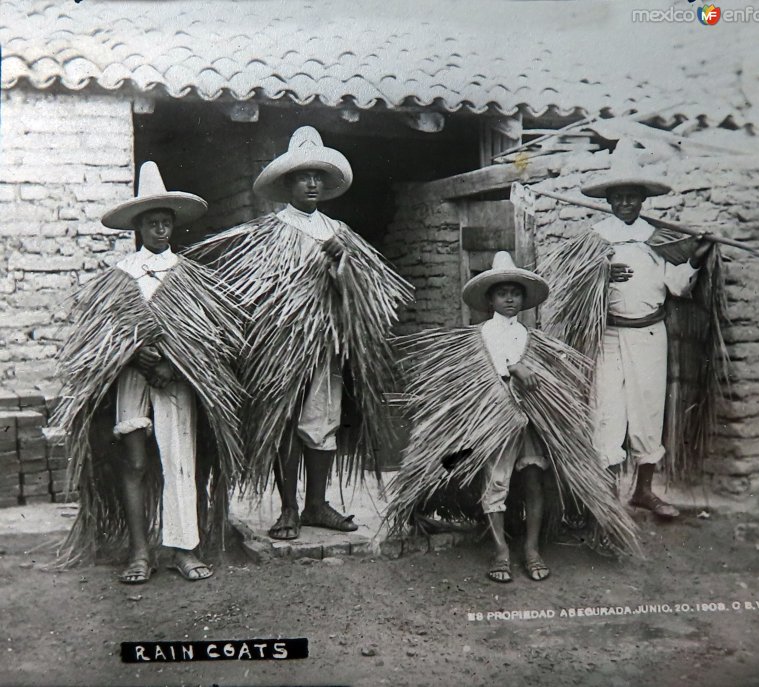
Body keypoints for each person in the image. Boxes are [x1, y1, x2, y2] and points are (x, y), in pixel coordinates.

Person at [190, 127, 413, 541]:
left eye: (317, 177)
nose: (311, 183)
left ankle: (316, 504)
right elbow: (252, 294)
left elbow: (367, 297)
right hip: (282, 346)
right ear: (287, 183)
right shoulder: (270, 232)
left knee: (322, 421)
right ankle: (289, 508)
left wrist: (342, 265)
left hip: (326, 345)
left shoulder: (339, 233)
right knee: (283, 420)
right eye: (302, 176)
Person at [385, 252, 640, 583]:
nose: (509, 298)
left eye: (515, 292)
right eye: (502, 292)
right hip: (494, 426)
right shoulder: (478, 335)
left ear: (524, 299)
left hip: (531, 423)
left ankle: (532, 549)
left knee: (534, 480)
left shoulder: (533, 338)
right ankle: (501, 550)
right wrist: (511, 367)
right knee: (497, 483)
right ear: (490, 298)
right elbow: (487, 369)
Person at [53, 161, 246, 583]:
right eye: (152, 223)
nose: (160, 230)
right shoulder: (120, 278)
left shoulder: (190, 277)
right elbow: (103, 334)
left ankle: (183, 548)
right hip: (131, 377)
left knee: (180, 459)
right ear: (138, 228)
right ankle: (139, 551)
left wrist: (173, 363)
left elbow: (208, 338)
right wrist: (132, 355)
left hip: (178, 378)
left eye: (166, 222)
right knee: (135, 460)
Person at [541, 140, 715, 521]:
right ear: (607, 200)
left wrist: (695, 260)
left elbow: (678, 288)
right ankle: (606, 499)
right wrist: (600, 277)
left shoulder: (657, 238)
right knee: (606, 410)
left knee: (648, 409)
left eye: (632, 197)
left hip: (650, 335)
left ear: (642, 200)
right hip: (608, 337)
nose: (625, 204)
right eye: (618, 197)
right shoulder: (594, 239)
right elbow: (570, 290)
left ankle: (644, 492)